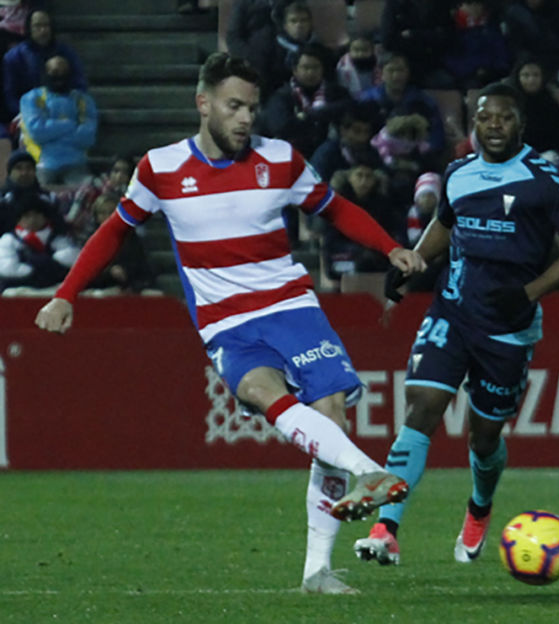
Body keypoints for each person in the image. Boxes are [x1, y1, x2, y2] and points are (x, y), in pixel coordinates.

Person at [34, 52, 427, 595]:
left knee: (331, 411)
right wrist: (65, 294)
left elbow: (333, 208)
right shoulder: (161, 168)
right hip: (225, 321)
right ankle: (369, 470)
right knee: (262, 391)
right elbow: (114, 231)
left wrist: (390, 246)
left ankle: (317, 571)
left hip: (290, 306)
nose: (246, 118)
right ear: (204, 104)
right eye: (234, 106)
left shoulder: (282, 160)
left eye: (253, 107)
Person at [352, 82, 559, 566]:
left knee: (484, 437)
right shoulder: (459, 172)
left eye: (505, 118)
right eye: (486, 118)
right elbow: (445, 221)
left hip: (508, 325)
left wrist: (528, 294)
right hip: (453, 309)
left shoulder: (545, 178)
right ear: (474, 124)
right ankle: (386, 529)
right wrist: (413, 264)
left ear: (519, 124)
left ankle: (480, 508)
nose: (495, 126)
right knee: (423, 406)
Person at [19, 54, 98, 186]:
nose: (59, 76)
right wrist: (70, 124)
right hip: (41, 164)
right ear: (46, 73)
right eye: (54, 72)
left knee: (87, 195)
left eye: (64, 72)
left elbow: (87, 138)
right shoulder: (32, 98)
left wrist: (52, 132)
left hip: (76, 163)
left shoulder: (83, 100)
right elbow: (37, 132)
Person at [2, 9, 87, 121]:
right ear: (29, 28)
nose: (43, 30)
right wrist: (26, 112)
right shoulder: (14, 57)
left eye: (46, 25)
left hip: (63, 111)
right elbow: (9, 94)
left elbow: (79, 85)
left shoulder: (66, 53)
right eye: (37, 26)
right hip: (27, 115)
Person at [0, 193, 77, 292]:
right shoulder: (8, 240)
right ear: (18, 220)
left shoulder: (57, 238)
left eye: (37, 214)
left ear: (45, 217)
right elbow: (6, 267)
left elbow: (74, 258)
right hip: (18, 289)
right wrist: (34, 270)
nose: (32, 220)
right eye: (27, 216)